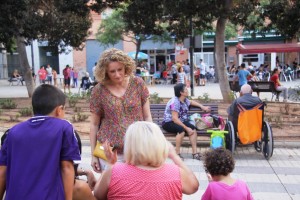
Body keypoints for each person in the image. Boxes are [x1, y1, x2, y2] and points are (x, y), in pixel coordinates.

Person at [0, 84, 81, 199]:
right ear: (59, 110)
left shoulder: (12, 132)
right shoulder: (63, 128)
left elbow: (2, 172)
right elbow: (67, 167)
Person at [93, 121, 199, 199]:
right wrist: (174, 156)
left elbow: (98, 195)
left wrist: (110, 165)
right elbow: (193, 186)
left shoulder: (114, 171)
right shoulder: (176, 173)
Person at [90, 48, 152, 173]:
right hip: (108, 151)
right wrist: (93, 155)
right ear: (105, 72)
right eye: (112, 71)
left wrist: (150, 143)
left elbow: (147, 117)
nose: (117, 75)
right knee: (111, 191)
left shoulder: (137, 84)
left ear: (126, 67)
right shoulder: (99, 90)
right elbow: (94, 124)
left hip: (137, 149)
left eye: (120, 70)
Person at [162, 83, 211, 160]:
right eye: (185, 89)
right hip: (169, 122)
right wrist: (186, 128)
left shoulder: (184, 100)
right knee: (181, 131)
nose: (187, 90)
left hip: (180, 120)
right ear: (181, 92)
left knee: (193, 130)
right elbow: (174, 119)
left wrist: (202, 107)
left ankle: (194, 153)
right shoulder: (175, 102)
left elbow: (191, 102)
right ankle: (177, 153)